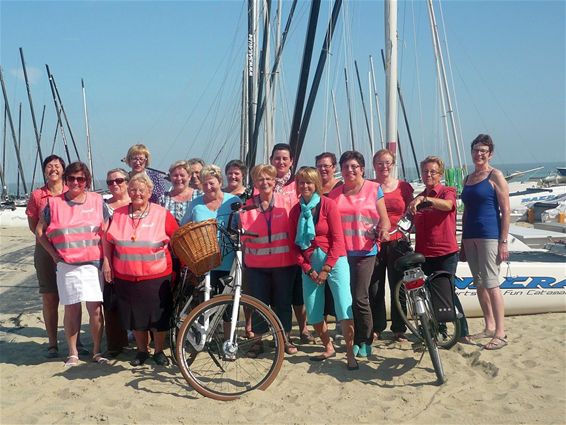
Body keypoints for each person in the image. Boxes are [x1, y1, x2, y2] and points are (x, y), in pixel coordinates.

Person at [36, 161, 107, 367]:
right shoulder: (54, 203)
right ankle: (73, 352)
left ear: (87, 181)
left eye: (81, 179)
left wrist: (108, 261)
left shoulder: (97, 200)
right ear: (66, 180)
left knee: (95, 309)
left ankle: (96, 351)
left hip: (93, 264)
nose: (76, 182)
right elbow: (40, 232)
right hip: (67, 264)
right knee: (71, 309)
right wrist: (53, 254)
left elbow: (106, 231)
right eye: (72, 178)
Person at [103, 173, 179, 366]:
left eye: (141, 190)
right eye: (134, 190)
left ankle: (159, 351)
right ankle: (142, 351)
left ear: (150, 192)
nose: (137, 193)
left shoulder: (162, 213)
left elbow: (178, 240)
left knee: (158, 317)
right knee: (135, 316)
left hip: (157, 276)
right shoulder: (118, 214)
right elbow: (108, 241)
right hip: (126, 276)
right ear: (128, 191)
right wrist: (107, 263)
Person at [288, 167, 357, 370]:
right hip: (310, 264)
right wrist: (308, 269)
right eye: (301, 182)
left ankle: (350, 353)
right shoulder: (295, 211)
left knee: (344, 306)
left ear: (316, 184)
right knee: (314, 311)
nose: (305, 186)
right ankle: (328, 346)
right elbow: (294, 247)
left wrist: (327, 268)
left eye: (309, 182)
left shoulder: (328, 205)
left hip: (334, 260)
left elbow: (337, 240)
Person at [328, 151, 391, 358]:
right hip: (342, 253)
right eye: (346, 167)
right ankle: (354, 339)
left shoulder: (374, 189)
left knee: (360, 297)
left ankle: (366, 339)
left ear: (362, 169)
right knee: (346, 299)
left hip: (366, 251)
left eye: (354, 166)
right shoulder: (335, 194)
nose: (350, 170)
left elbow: (385, 219)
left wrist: (383, 230)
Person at [408, 156, 470, 343]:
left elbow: (449, 205)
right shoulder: (417, 199)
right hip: (423, 253)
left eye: (433, 171)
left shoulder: (446, 191)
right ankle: (438, 329)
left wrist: (426, 199)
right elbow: (411, 223)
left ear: (440, 174)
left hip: (445, 252)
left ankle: (462, 331)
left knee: (447, 291)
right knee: (427, 293)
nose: (428, 175)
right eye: (425, 171)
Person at [240, 164, 298, 355]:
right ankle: (257, 341)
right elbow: (242, 238)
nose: (264, 182)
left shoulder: (286, 203)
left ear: (274, 181)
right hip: (256, 266)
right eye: (260, 179)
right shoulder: (246, 207)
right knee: (259, 304)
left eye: (268, 179)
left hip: (284, 264)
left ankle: (283, 339)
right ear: (255, 182)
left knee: (283, 303)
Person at [461, 134, 510, 350]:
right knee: (479, 282)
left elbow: (506, 210)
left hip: (489, 234)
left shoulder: (495, 175)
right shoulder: (468, 178)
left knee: (491, 283)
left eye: (483, 150)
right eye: (475, 150)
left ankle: (500, 332)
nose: (479, 154)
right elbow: (465, 211)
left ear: (490, 153)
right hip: (470, 235)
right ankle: (489, 326)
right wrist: (462, 240)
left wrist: (503, 241)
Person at [25, 155, 70, 358]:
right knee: (50, 298)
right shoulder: (37, 195)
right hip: (44, 251)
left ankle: (74, 342)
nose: (53, 169)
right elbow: (34, 226)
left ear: (63, 170)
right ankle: (53, 343)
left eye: (57, 166)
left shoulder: (72, 192)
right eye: (49, 166)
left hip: (70, 248)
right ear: (44, 171)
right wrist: (48, 243)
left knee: (72, 298)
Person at [270, 143, 313, 344]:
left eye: (284, 159)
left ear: (291, 162)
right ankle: (283, 334)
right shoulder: (264, 183)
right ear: (271, 160)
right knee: (282, 296)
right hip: (274, 250)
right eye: (277, 158)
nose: (281, 162)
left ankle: (303, 329)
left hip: (297, 246)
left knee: (299, 294)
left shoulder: (298, 184)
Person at [369, 149, 414, 342]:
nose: (384, 166)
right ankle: (377, 326)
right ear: (374, 165)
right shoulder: (369, 186)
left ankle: (399, 328)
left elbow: (411, 213)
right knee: (375, 287)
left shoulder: (404, 187)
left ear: (393, 164)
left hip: (398, 241)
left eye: (387, 162)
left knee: (398, 286)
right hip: (375, 242)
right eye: (380, 163)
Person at [181, 164, 238, 287]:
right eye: (204, 184)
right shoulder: (195, 205)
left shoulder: (233, 201)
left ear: (220, 182)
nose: (208, 187)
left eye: (211, 183)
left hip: (229, 261)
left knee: (228, 303)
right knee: (205, 301)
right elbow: (183, 229)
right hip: (203, 263)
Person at [102, 168, 130, 356]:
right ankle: (115, 344)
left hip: (135, 260)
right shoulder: (104, 206)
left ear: (127, 181)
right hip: (112, 257)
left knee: (136, 301)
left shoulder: (137, 201)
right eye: (110, 182)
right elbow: (103, 236)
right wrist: (106, 262)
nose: (115, 185)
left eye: (119, 180)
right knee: (112, 302)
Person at [315, 152, 343, 336]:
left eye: (327, 165)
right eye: (320, 166)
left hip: (339, 244)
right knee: (320, 290)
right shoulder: (314, 189)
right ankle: (322, 329)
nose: (323, 169)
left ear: (334, 167)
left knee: (339, 289)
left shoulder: (341, 187)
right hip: (318, 244)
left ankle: (342, 325)